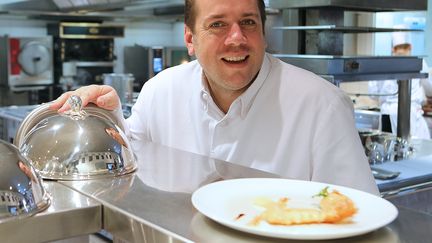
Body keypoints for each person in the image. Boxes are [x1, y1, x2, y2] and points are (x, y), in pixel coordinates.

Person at [50, 0, 379, 195]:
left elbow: (356, 212)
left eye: (248, 22)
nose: (237, 38)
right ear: (190, 39)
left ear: (262, 32)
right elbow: (130, 163)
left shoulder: (321, 104)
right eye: (218, 24)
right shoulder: (160, 91)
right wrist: (106, 118)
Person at [368, 30, 431, 139]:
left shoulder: (382, 64)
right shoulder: (418, 62)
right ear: (410, 47)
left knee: (389, 149)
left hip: (387, 114)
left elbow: (372, 94)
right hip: (410, 114)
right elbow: (430, 89)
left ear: (393, 48)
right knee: (413, 150)